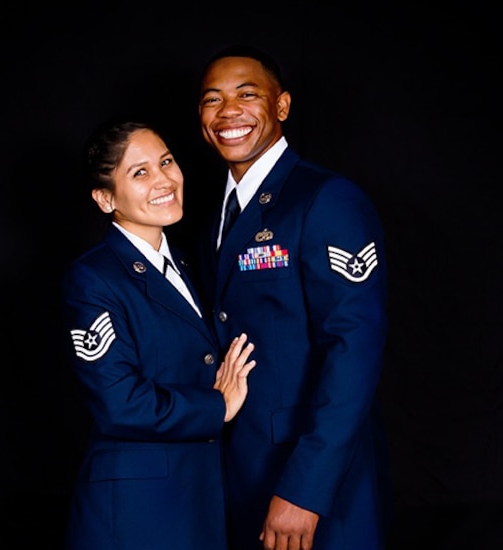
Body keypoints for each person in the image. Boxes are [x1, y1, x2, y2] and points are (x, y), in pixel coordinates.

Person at [196, 45, 390, 550]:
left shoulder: (325, 200)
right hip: (233, 473)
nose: (228, 112)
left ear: (281, 106)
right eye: (212, 99)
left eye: (247, 94)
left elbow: (354, 351)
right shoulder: (206, 212)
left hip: (310, 483)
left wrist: (306, 489)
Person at [61, 117, 257, 550]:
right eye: (140, 172)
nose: (164, 179)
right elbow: (119, 403)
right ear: (104, 197)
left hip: (198, 499)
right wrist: (217, 406)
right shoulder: (94, 278)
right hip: (138, 511)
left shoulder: (188, 264)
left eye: (166, 162)